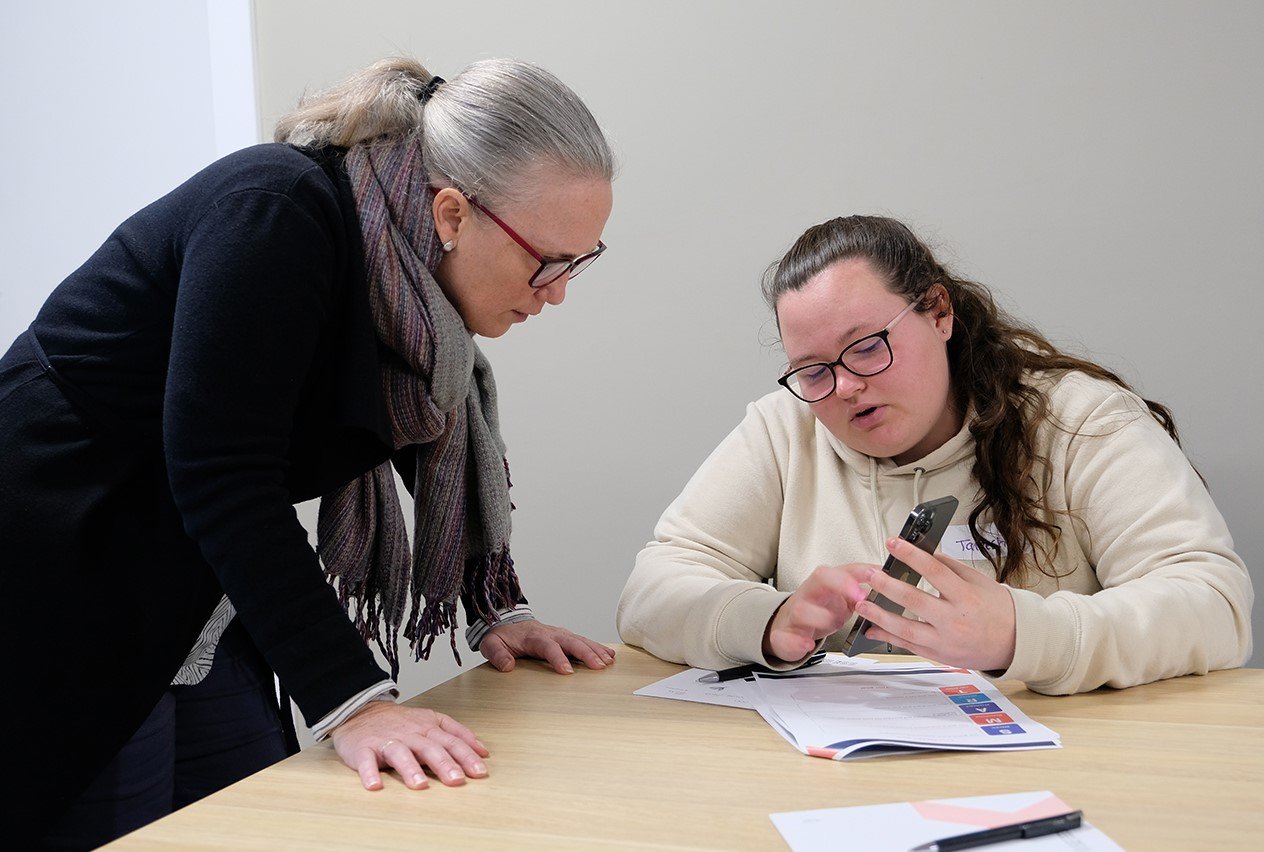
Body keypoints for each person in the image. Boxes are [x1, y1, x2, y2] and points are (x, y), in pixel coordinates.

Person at [2, 56, 616, 847]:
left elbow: (402, 427)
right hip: (71, 571)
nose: (558, 291)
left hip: (200, 581)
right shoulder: (275, 210)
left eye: (581, 261)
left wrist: (495, 606)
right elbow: (223, 473)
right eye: (549, 262)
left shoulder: (411, 296)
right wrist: (358, 701)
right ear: (454, 213)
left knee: (264, 822)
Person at [617, 215, 1252, 695]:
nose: (843, 387)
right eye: (812, 371)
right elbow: (652, 589)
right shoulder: (788, 429)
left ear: (939, 312)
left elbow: (1214, 604)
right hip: (831, 775)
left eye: (865, 347)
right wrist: (765, 618)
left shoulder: (1082, 421)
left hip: (1055, 772)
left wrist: (1021, 634)